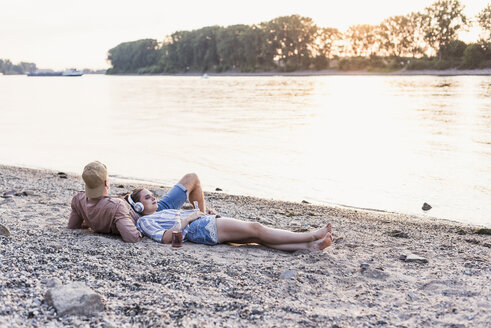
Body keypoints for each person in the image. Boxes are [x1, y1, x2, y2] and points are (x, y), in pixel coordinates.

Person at [126, 188, 333, 252]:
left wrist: (197, 212)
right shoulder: (144, 222)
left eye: (152, 195)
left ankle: (309, 245)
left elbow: (177, 220)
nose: (153, 198)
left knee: (258, 239)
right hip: (204, 228)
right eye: (147, 197)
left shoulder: (160, 212)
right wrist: (190, 218)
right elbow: (164, 238)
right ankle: (312, 234)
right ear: (138, 206)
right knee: (257, 228)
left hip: (205, 225)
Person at [68, 161, 213, 243]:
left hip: (137, 208)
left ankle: (199, 213)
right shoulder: (116, 207)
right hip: (148, 214)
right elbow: (132, 237)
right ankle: (201, 214)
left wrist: (91, 223)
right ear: (106, 182)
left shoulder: (78, 199)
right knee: (192, 178)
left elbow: (73, 226)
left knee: (190, 180)